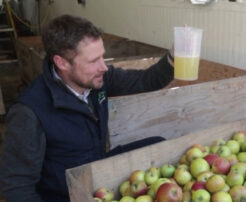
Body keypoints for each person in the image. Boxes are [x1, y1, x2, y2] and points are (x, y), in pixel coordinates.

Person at [0, 14, 174, 202]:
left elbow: (145, 80)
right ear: (62, 63)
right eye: (93, 61)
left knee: (158, 143)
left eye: (103, 57)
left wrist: (174, 57)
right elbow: (16, 186)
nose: (104, 67)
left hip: (97, 171)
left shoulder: (96, 80)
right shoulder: (30, 112)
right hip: (66, 193)